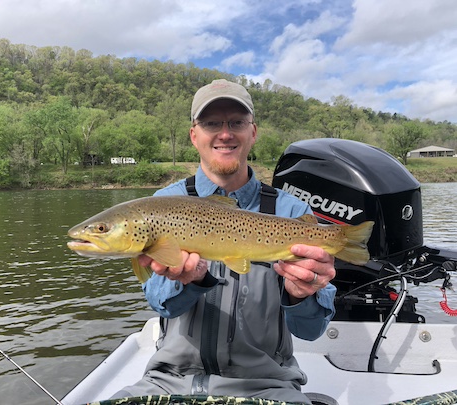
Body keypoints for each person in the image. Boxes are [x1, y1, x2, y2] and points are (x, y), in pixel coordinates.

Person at [115, 79, 337, 404]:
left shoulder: (293, 213)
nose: (225, 133)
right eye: (211, 123)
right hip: (168, 383)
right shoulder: (161, 205)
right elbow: (160, 303)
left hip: (268, 387)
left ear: (253, 132)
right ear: (194, 134)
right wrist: (191, 280)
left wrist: (302, 294)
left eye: (236, 122)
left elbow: (310, 331)